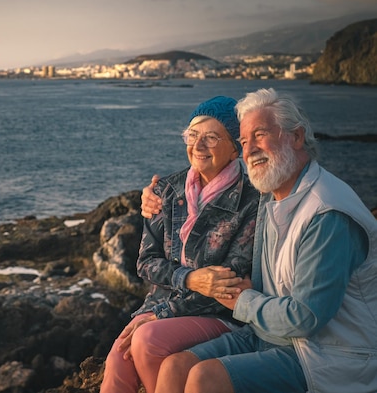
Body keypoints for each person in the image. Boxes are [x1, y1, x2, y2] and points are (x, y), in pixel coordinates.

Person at [142, 88, 377, 393]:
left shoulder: (327, 213)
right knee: (175, 366)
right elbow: (212, 187)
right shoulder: (269, 197)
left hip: (330, 355)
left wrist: (242, 301)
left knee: (205, 378)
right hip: (270, 334)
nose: (249, 149)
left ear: (296, 137)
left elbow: (306, 317)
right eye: (243, 141)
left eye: (260, 135)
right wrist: (152, 198)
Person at [100, 96, 260, 393]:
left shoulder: (250, 201)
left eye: (211, 137)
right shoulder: (166, 191)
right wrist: (188, 279)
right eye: (192, 135)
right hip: (161, 308)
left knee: (147, 341)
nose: (198, 146)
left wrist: (160, 314)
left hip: (217, 314)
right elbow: (146, 263)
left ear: (235, 147)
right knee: (117, 360)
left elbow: (226, 285)